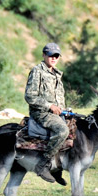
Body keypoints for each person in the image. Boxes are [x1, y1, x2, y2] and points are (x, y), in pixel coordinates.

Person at [24, 42, 69, 183]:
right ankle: (42, 165)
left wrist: (64, 110)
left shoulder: (57, 74)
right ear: (44, 55)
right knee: (62, 131)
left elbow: (59, 99)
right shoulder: (37, 71)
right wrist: (50, 106)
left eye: (56, 56)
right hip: (41, 113)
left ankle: (57, 168)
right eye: (50, 55)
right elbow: (29, 96)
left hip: (56, 113)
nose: (53, 58)